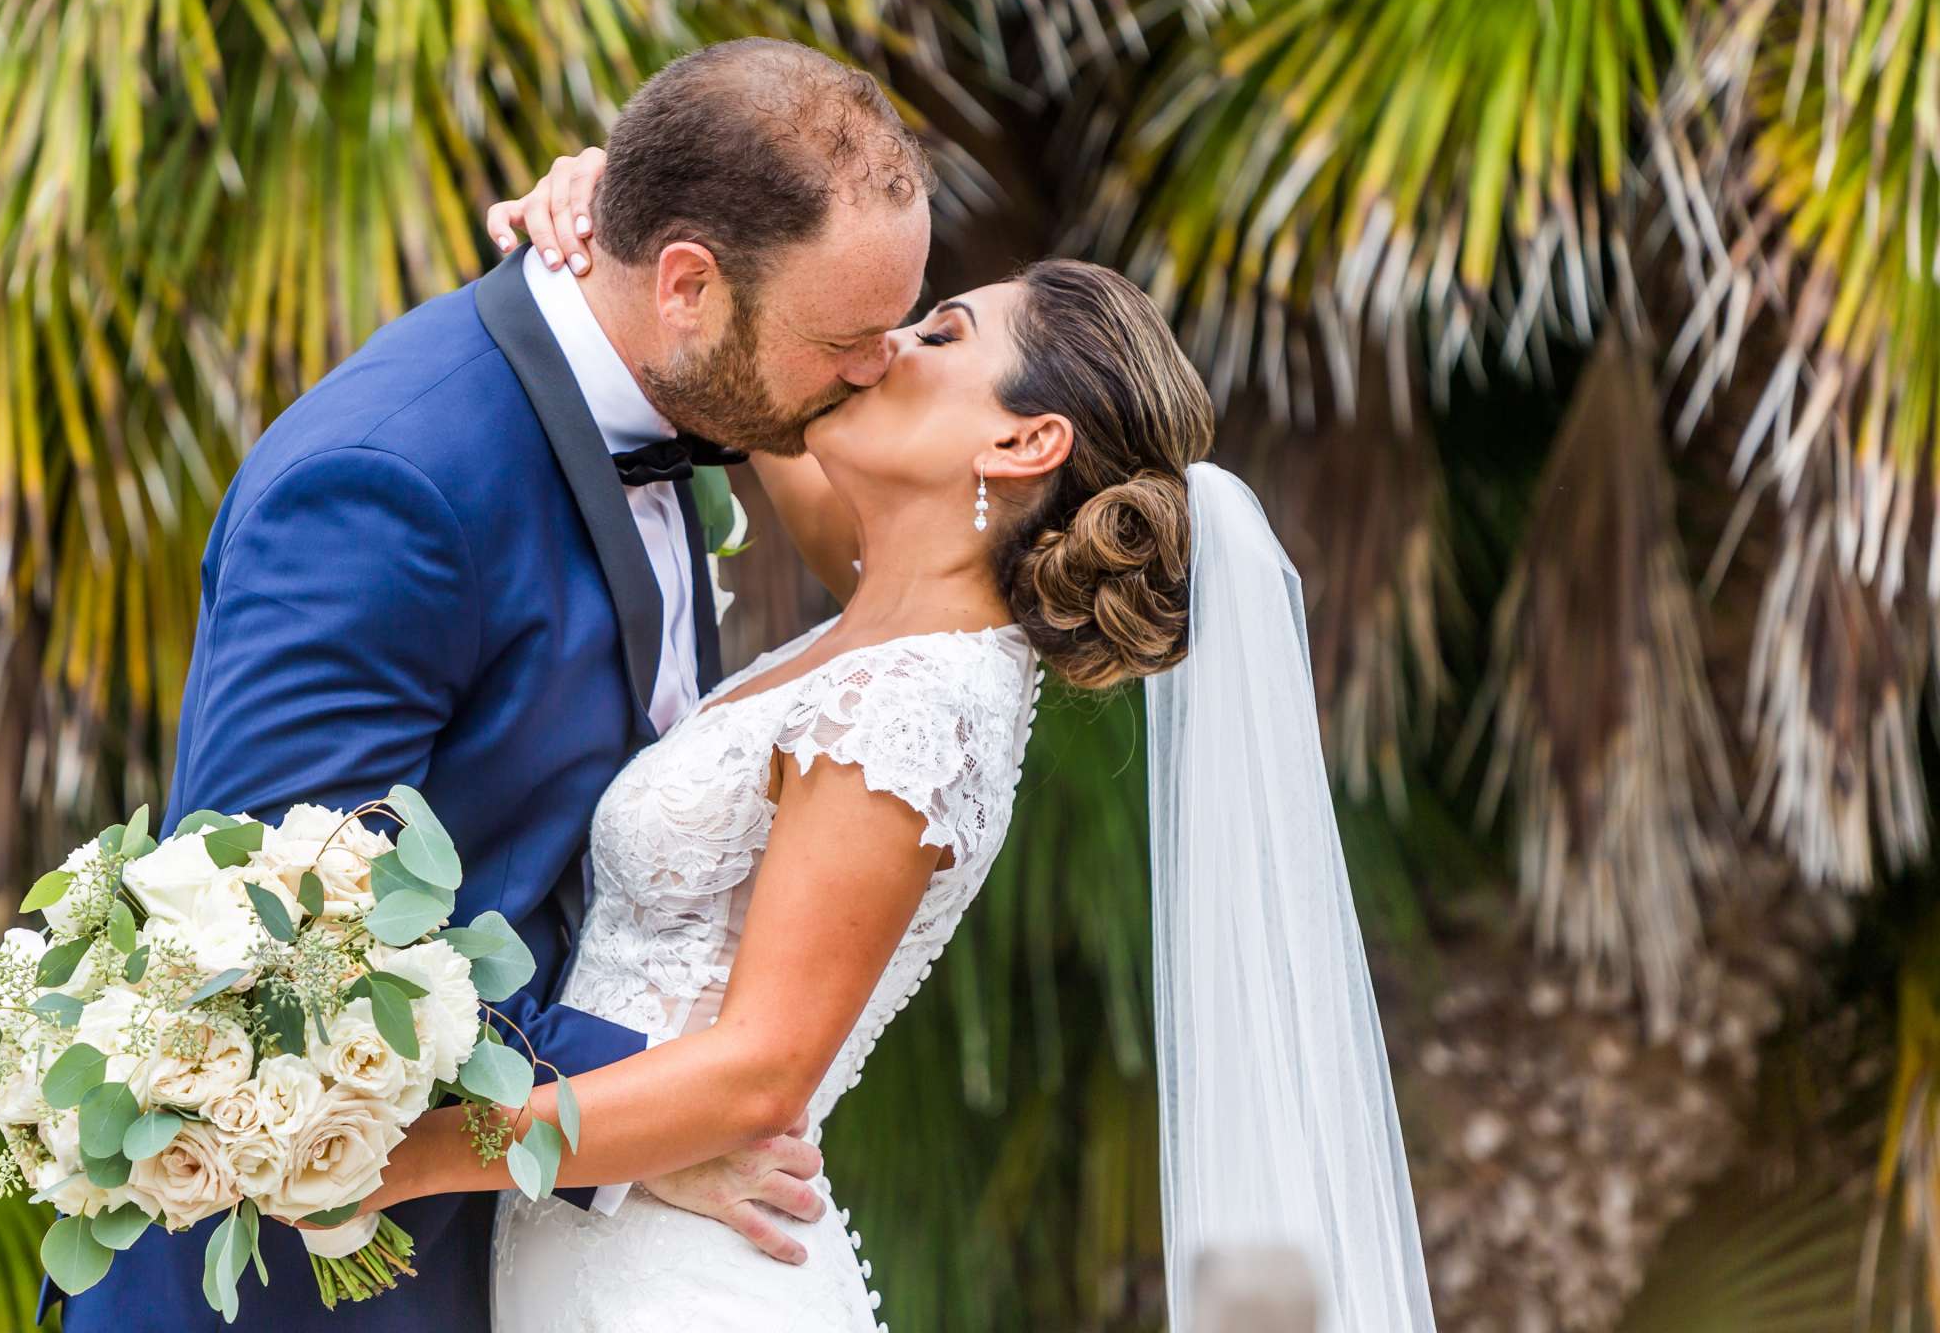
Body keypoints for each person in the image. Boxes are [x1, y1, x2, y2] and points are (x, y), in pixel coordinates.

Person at [356, 148, 1442, 1333]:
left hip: (681, 1286)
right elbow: (755, 372)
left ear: (1023, 445)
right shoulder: (897, 608)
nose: (882, 348)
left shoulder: (909, 709)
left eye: (939, 337)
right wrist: (630, 216)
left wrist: (404, 1155)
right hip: (610, 1251)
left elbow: (760, 1071)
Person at [54, 38, 930, 1331]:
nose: (879, 369)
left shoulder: (670, 387)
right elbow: (279, 955)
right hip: (322, 1280)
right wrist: (627, 1128)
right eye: (847, 341)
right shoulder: (387, 485)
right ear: (684, 285)